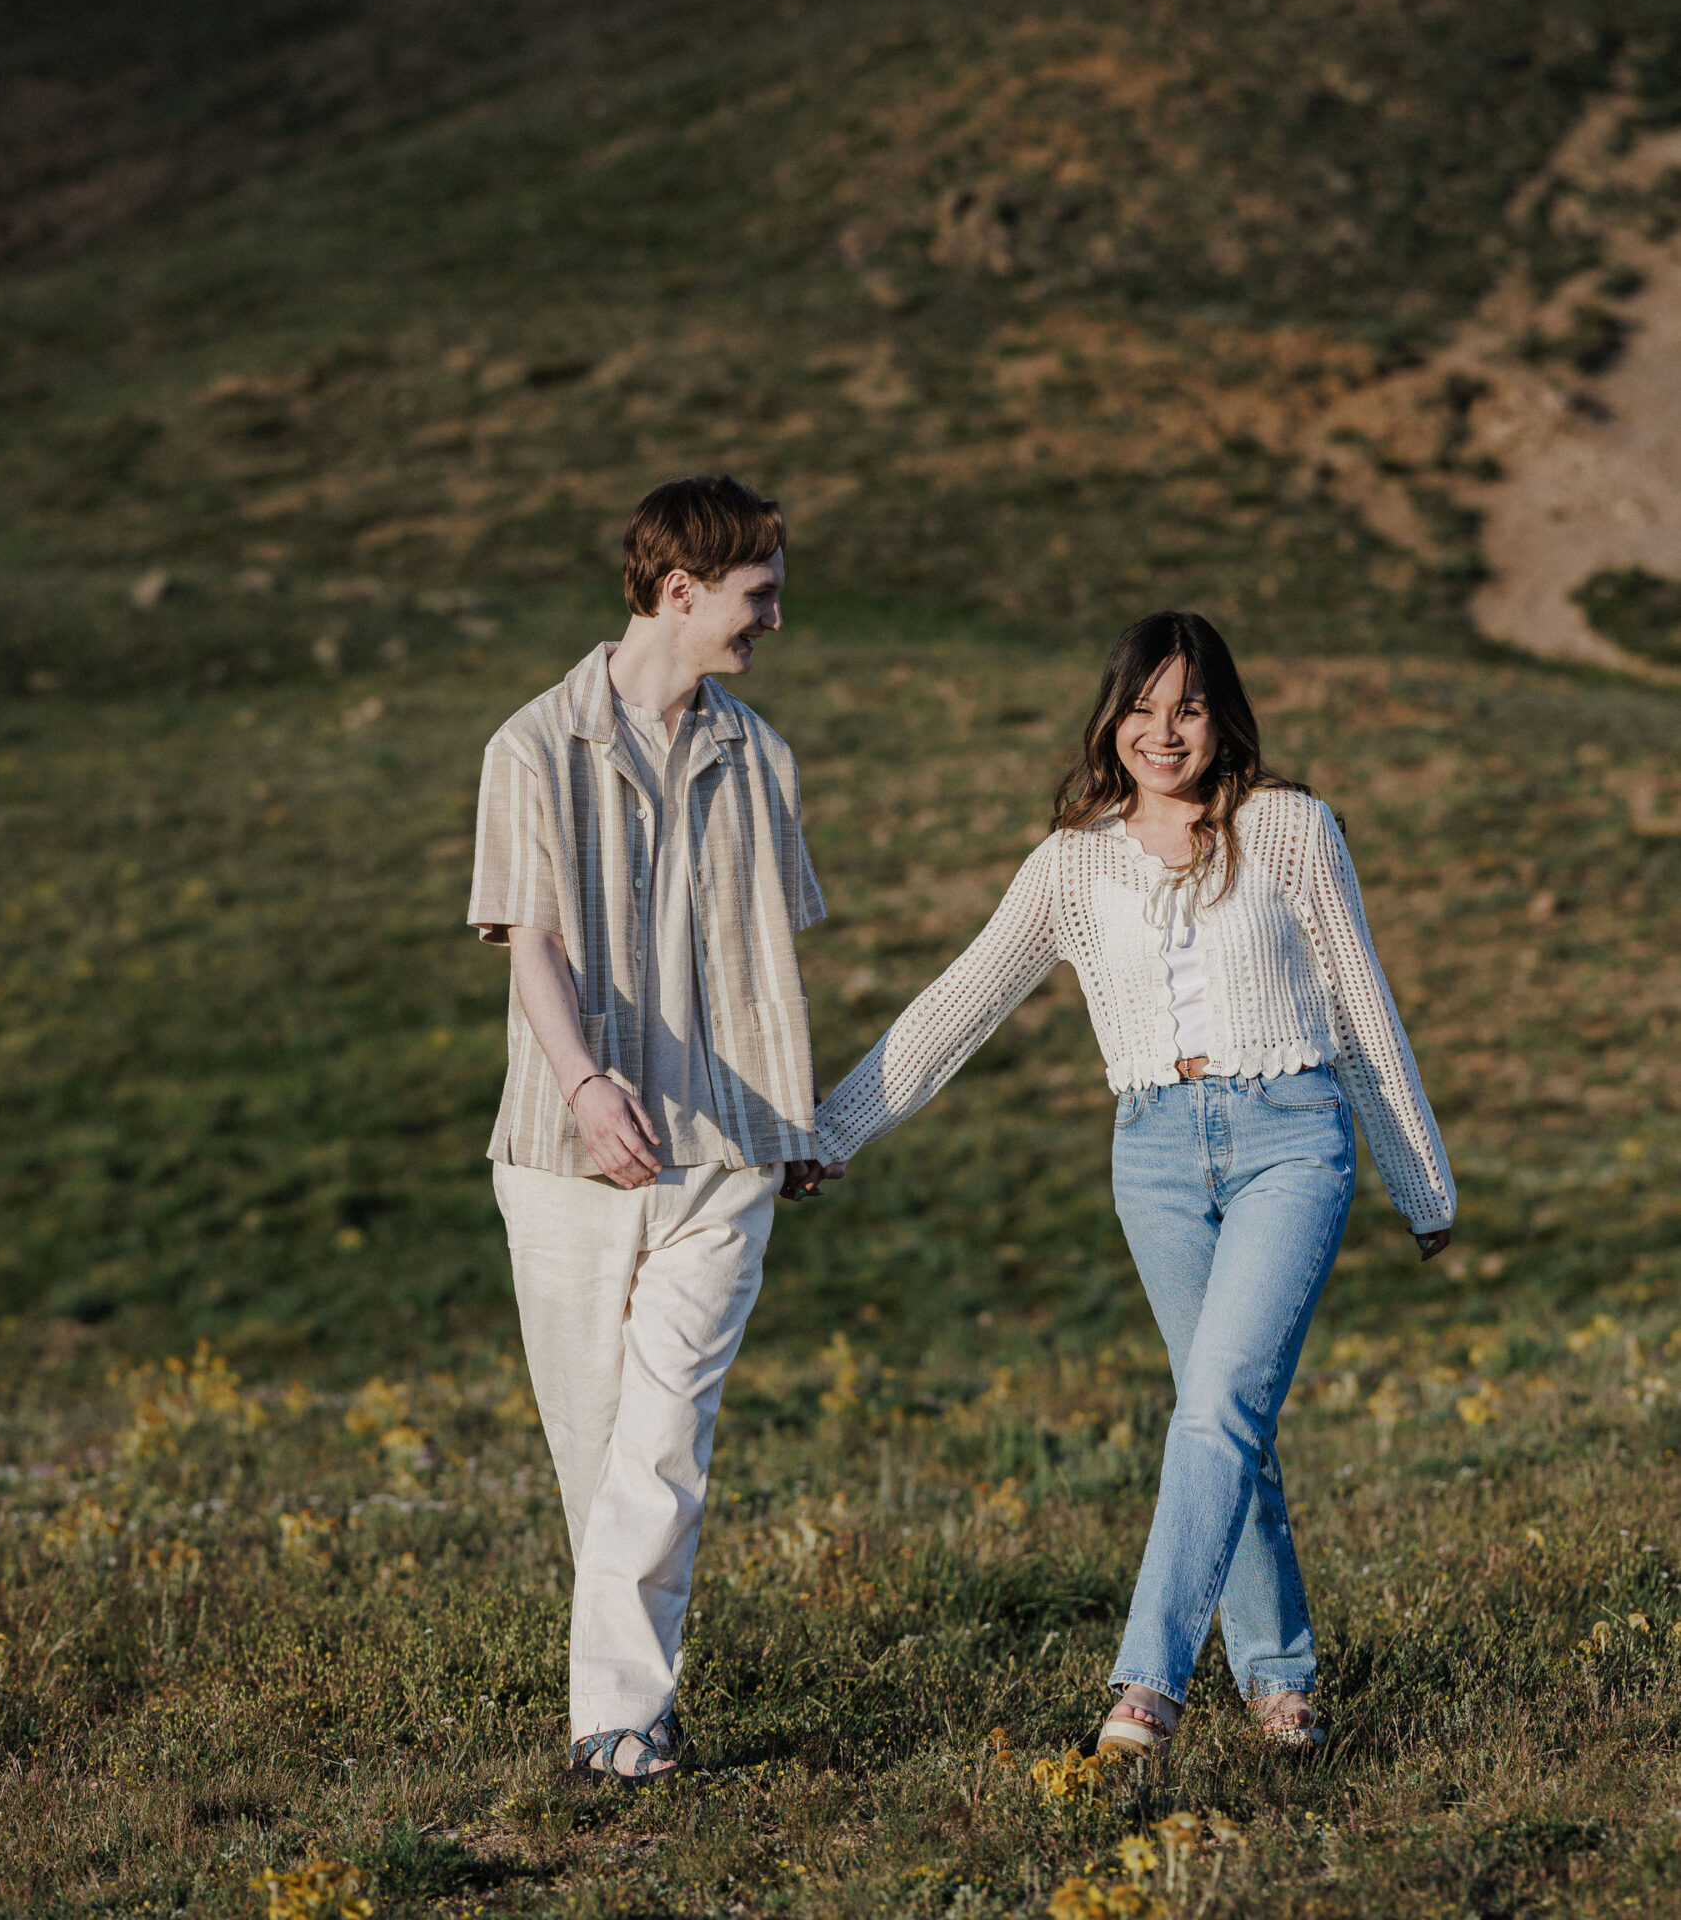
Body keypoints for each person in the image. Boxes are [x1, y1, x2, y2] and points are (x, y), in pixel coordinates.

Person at [807, 610, 1453, 1764]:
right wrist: (835, 1126)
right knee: (1226, 1415)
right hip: (1153, 1155)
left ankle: (1146, 1690)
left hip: (1290, 1138)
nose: (1166, 733)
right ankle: (1284, 1685)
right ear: (1113, 718)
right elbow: (961, 1001)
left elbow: (1362, 1006)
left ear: (1222, 715)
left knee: (1213, 1412)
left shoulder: (1292, 831)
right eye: (1144, 708)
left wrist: (1422, 1183)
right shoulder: (1072, 861)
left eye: (1190, 707)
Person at [467, 475, 828, 1784]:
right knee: (600, 1452)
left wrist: (787, 1113)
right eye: (757, 594)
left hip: (719, 1163)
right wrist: (582, 1082)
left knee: (664, 1446)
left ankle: (617, 1730)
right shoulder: (526, 747)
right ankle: (628, 1701)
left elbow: (764, 966)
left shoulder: (763, 759)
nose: (772, 620)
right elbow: (531, 946)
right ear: (679, 592)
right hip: (564, 1158)